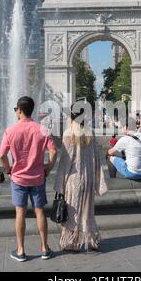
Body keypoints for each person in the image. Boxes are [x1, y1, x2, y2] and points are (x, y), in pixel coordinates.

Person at [0, 96, 57, 263]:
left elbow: (2, 155)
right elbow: (53, 152)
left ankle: (21, 250)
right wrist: (48, 168)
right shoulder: (42, 129)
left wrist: (9, 169)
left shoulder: (10, 130)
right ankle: (45, 248)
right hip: (38, 177)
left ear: (20, 110)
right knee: (40, 211)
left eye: (16, 109)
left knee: (20, 212)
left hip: (18, 179)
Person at [54, 108, 108, 252]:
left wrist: (60, 183)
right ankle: (90, 240)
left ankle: (72, 242)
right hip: (88, 178)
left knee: (73, 212)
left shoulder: (68, 134)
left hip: (73, 179)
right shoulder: (90, 134)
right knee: (87, 211)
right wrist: (99, 181)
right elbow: (96, 159)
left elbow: (65, 162)